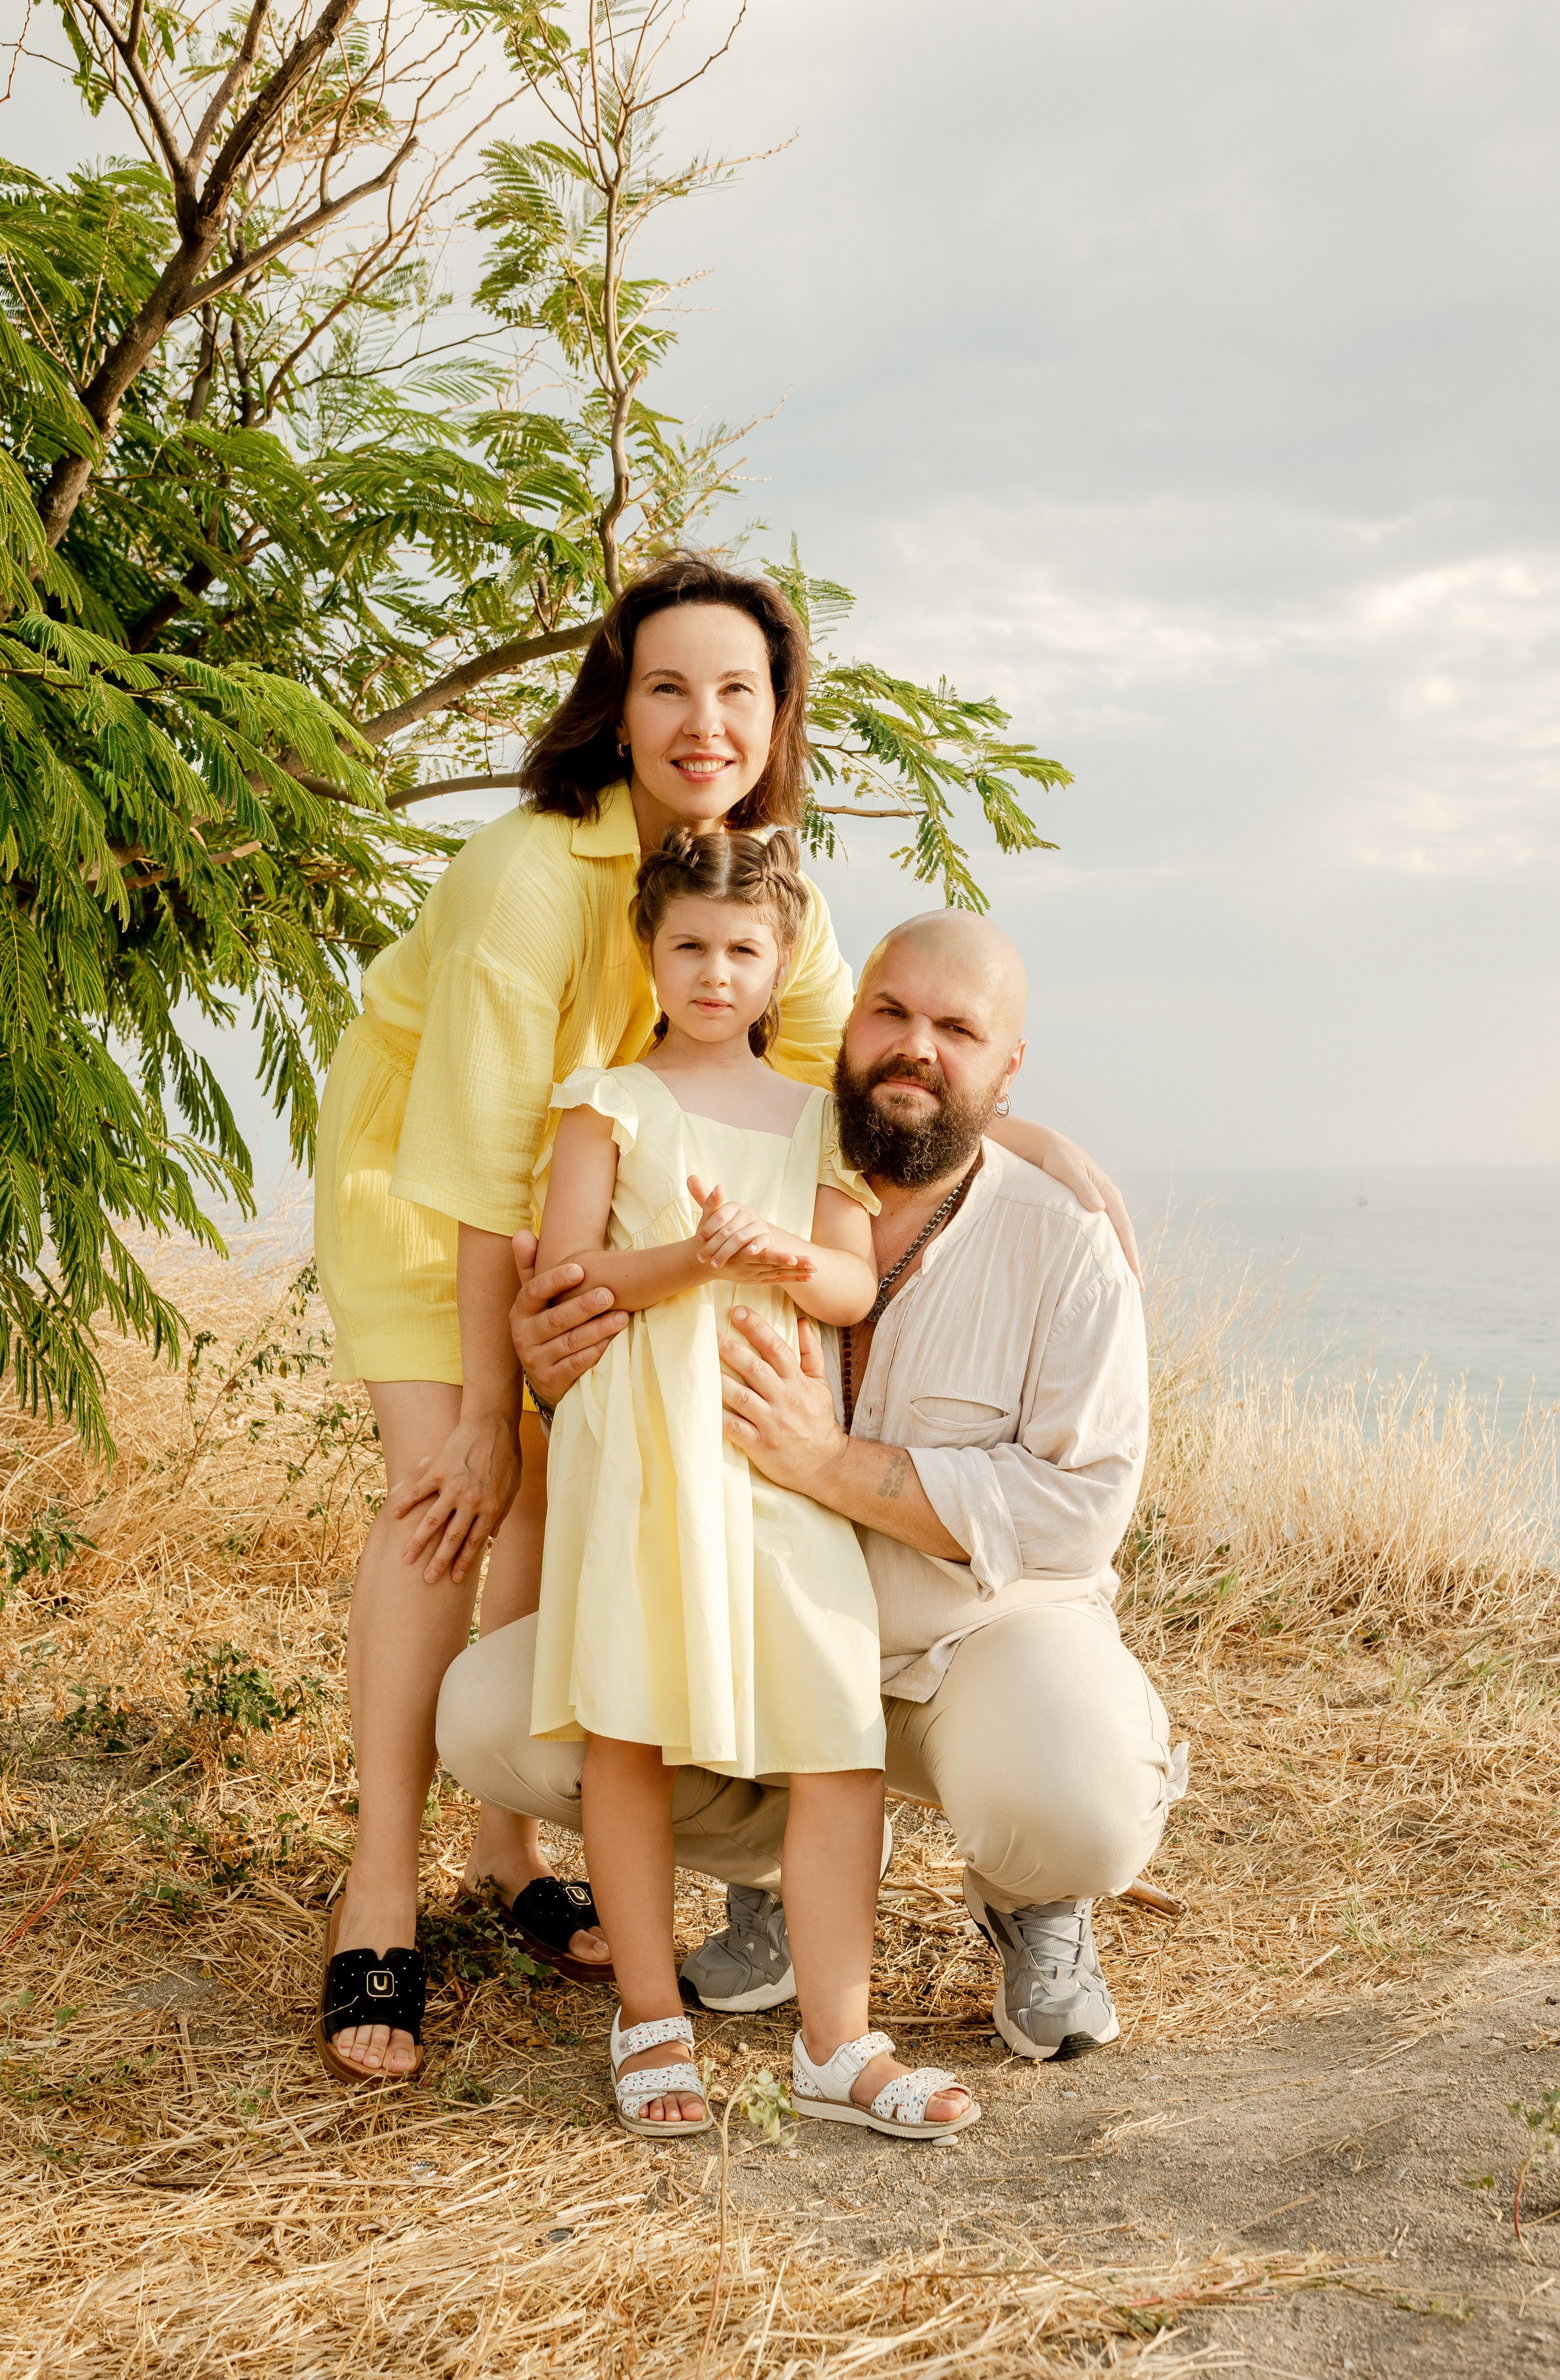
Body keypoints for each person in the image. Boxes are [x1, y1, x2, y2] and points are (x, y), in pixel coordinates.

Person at [312, 547, 1139, 2083]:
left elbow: (848, 1070)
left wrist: (1020, 1132)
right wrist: (493, 1403)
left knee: (563, 1491)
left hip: (622, 1204)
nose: (705, 723)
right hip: (435, 1180)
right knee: (458, 1490)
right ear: (616, 710)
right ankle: (378, 1902)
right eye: (667, 688)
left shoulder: (762, 882)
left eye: (737, 692)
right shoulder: (522, 880)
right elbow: (482, 1181)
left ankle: (507, 1854)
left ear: (775, 716)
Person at [435, 910, 1184, 2066]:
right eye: (891, 1013)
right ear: (844, 1029)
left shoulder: (1064, 1243)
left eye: (958, 1030)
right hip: (756, 1617)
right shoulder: (747, 1168)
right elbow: (620, 1370)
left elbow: (1079, 1510)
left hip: (972, 1638)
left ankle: (1035, 1895)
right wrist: (553, 1365)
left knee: (1071, 1804)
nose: (916, 1046)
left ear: (1008, 1068)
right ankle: (786, 1878)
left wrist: (833, 1465)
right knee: (494, 1715)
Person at [531, 826, 976, 2140]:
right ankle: (649, 2017)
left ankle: (837, 2044)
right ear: (650, 951)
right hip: (644, 1454)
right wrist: (693, 1257)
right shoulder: (606, 1102)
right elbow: (569, 1274)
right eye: (689, 946)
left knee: (833, 1735)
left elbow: (844, 1284)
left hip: (771, 1447)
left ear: (780, 964)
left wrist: (771, 1251)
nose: (714, 973)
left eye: (741, 950)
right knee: (630, 1729)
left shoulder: (811, 1117)